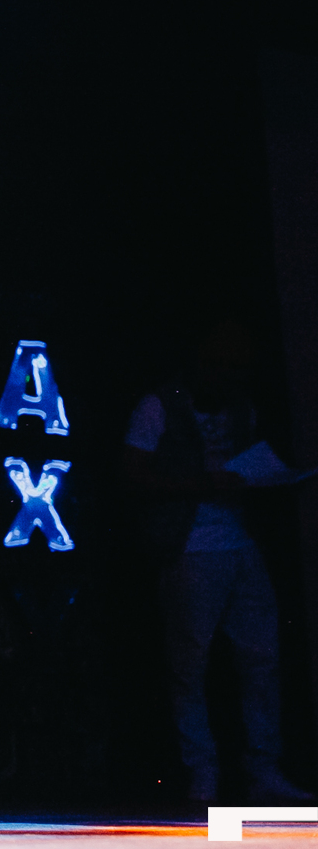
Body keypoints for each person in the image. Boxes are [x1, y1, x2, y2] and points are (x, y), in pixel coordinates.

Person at [123, 324, 313, 806]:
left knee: (262, 657)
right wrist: (203, 484)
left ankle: (262, 768)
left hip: (239, 542)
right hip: (189, 547)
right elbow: (134, 474)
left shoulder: (241, 408)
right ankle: (202, 770)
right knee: (190, 664)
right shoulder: (159, 405)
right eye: (220, 366)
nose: (228, 377)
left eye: (236, 369)